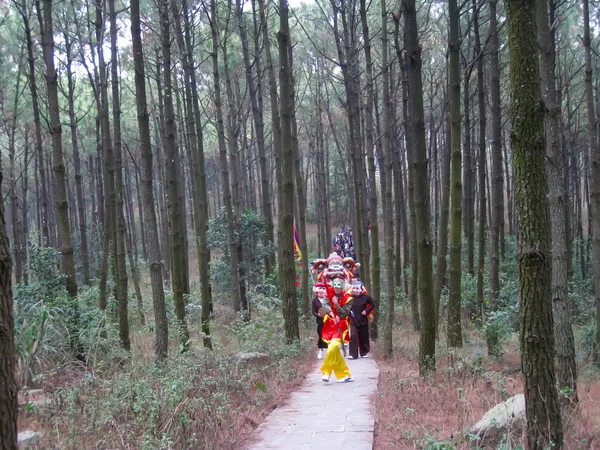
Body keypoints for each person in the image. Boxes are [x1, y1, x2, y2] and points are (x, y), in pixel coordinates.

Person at [319, 274, 353, 383]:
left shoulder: (348, 298)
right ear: (333, 286)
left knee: (333, 347)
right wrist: (332, 313)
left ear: (343, 286)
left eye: (339, 286)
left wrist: (336, 304)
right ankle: (345, 375)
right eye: (335, 286)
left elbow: (344, 313)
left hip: (340, 326)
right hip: (329, 325)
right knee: (335, 352)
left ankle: (326, 372)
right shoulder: (327, 295)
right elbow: (324, 307)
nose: (337, 288)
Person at [347, 281, 374, 359]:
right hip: (353, 320)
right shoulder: (349, 297)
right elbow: (345, 307)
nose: (355, 290)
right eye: (354, 288)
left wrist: (367, 311)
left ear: (362, 289)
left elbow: (372, 305)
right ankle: (353, 354)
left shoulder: (366, 297)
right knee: (353, 336)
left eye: (357, 288)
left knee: (363, 336)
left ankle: (363, 352)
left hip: (363, 320)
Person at [311, 283, 329, 359]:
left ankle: (330, 351)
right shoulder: (314, 301)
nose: (321, 291)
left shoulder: (328, 299)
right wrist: (318, 314)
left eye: (323, 289)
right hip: (320, 321)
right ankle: (321, 350)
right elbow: (313, 311)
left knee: (329, 336)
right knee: (321, 335)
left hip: (329, 320)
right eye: (319, 290)